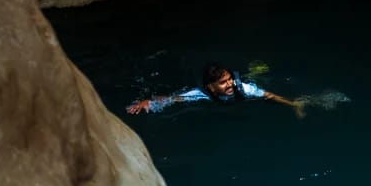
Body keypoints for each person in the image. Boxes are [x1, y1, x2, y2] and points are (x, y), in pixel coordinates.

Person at [127, 62, 304, 116]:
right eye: (222, 82)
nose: (228, 84)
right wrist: (146, 102)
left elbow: (270, 95)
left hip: (249, 85)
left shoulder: (243, 88)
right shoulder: (200, 94)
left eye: (228, 80)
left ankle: (256, 69)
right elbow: (173, 98)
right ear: (210, 87)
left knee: (257, 78)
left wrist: (293, 104)